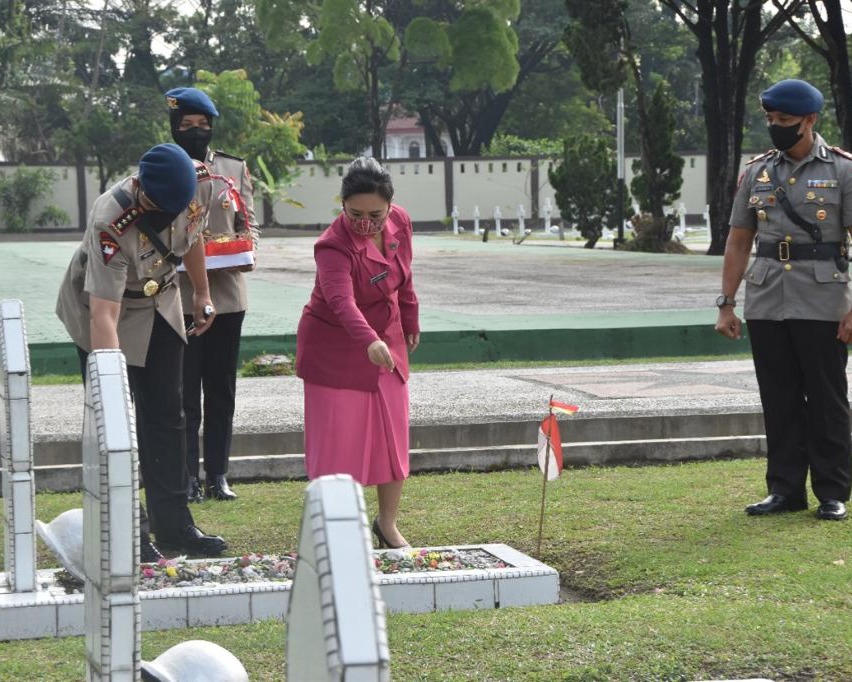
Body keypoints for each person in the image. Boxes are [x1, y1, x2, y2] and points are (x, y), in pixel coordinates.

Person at [56, 143, 229, 559]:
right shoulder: (111, 219)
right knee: (116, 427)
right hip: (103, 311)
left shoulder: (200, 183)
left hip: (159, 302)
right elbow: (103, 314)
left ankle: (175, 526)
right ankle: (129, 531)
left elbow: (193, 237)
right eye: (159, 206)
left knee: (169, 415)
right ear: (140, 188)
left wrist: (202, 293)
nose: (169, 213)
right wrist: (112, 386)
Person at [716, 78, 852, 521]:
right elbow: (739, 241)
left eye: (786, 120)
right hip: (767, 298)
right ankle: (785, 489)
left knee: (827, 398)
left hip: (823, 299)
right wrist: (727, 302)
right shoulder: (757, 172)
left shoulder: (842, 170)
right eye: (772, 119)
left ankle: (832, 491)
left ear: (810, 121)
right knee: (779, 397)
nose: (776, 127)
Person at [296, 157, 420, 548]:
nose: (366, 224)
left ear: (390, 206)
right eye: (356, 214)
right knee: (338, 444)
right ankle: (334, 530)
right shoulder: (333, 246)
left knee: (393, 437)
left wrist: (411, 319)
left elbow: (406, 275)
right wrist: (368, 340)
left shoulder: (399, 220)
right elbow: (340, 301)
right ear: (342, 204)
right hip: (337, 349)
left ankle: (387, 524)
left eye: (375, 214)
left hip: (388, 343)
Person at [165, 87, 260, 503]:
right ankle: (186, 475)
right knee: (184, 392)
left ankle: (218, 474)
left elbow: (249, 221)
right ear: (174, 129)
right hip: (179, 297)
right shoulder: (163, 167)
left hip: (227, 296)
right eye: (187, 127)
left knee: (221, 389)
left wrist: (247, 249)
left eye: (202, 126)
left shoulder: (232, 169)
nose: (196, 133)